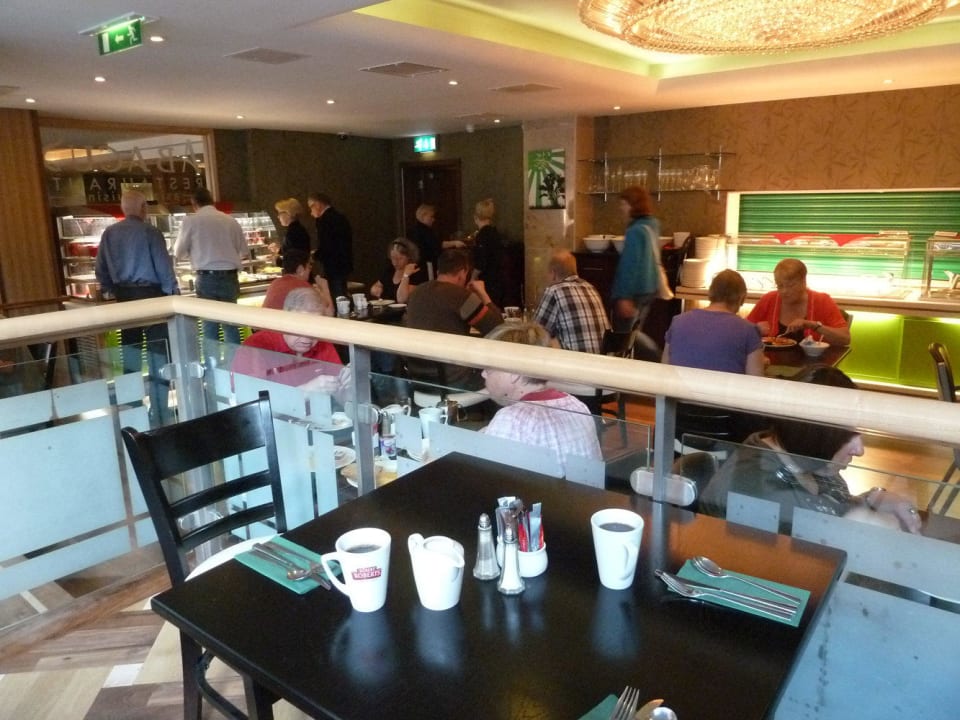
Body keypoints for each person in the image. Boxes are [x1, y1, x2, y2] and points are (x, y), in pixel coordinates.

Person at [698, 367, 922, 535]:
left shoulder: (802, 458)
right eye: (845, 436)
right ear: (813, 435)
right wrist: (852, 527)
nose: (859, 450)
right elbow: (798, 563)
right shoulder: (760, 492)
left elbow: (831, 506)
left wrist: (873, 499)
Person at [95, 190, 179, 424]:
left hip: (124, 299)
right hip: (152, 298)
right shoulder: (151, 233)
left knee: (130, 354)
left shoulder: (109, 234)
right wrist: (174, 295)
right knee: (158, 354)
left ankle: (132, 409)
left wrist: (110, 289)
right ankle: (160, 411)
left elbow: (100, 269)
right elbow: (164, 269)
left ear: (123, 209)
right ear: (143, 208)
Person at [480, 322, 602, 476]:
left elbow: (488, 479)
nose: (483, 374)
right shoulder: (577, 405)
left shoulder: (511, 419)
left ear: (513, 373)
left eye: (488, 368)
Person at [404, 248, 503, 390]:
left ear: (439, 270)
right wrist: (482, 293)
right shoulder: (460, 295)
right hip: (453, 381)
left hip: (418, 380)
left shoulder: (417, 292)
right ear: (462, 273)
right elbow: (498, 328)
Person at [173, 187, 248, 351]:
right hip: (230, 278)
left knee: (209, 328)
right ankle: (235, 365)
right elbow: (244, 252)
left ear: (194, 204)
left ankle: (212, 365)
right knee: (231, 326)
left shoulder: (190, 221)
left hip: (206, 278)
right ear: (212, 201)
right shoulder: (230, 221)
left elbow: (178, 253)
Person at [232, 287, 344, 390]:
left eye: (315, 329)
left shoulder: (322, 343)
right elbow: (246, 396)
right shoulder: (255, 347)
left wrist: (345, 385)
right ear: (284, 320)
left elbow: (340, 387)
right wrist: (306, 391)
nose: (307, 338)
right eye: (299, 327)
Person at [663, 269, 764, 375]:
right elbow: (755, 379)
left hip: (679, 385)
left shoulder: (677, 322)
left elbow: (664, 368)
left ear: (710, 293)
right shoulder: (748, 331)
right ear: (741, 299)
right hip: (723, 386)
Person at [747, 258, 850, 346]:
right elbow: (742, 331)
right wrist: (755, 329)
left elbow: (845, 339)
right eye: (780, 285)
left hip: (814, 362)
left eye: (791, 285)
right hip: (770, 361)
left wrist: (813, 325)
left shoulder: (822, 300)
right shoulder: (769, 299)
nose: (784, 291)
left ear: (803, 281)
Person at [532, 249, 610, 354]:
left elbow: (536, 332)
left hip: (574, 360)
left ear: (553, 274)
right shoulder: (591, 288)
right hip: (603, 359)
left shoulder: (554, 290)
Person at [612, 185, 659, 333]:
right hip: (650, 288)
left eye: (624, 204)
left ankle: (653, 349)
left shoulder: (635, 231)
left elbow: (629, 265)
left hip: (635, 292)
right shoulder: (652, 225)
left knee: (627, 335)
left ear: (633, 205)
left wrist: (624, 296)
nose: (621, 208)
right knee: (636, 331)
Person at [308, 192, 353, 300]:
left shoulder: (324, 220)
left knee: (337, 297)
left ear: (318, 205)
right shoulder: (340, 217)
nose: (311, 212)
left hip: (333, 266)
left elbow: (327, 245)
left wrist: (314, 255)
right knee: (341, 295)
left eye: (311, 207)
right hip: (343, 264)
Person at [261, 248, 333, 314]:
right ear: (300, 269)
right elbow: (329, 313)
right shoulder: (303, 287)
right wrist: (325, 288)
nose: (310, 272)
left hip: (266, 323)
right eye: (309, 268)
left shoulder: (275, 283)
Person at [471, 198, 504, 307]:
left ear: (476, 217)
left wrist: (472, 277)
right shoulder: (495, 232)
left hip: (487, 279)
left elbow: (481, 262)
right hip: (498, 277)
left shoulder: (482, 235)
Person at [370, 238, 419, 304]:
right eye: (393, 258)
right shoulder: (390, 269)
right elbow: (378, 285)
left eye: (399, 258)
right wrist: (375, 288)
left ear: (409, 257)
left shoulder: (415, 271)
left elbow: (402, 299)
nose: (395, 262)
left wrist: (406, 276)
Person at [270, 197, 310, 265]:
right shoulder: (296, 228)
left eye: (279, 213)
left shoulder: (294, 232)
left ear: (288, 214)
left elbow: (295, 259)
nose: (278, 217)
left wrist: (277, 261)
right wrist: (278, 250)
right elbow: (291, 250)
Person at [408, 204, 440, 284]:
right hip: (426, 265)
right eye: (431, 216)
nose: (433, 219)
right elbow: (435, 245)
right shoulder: (424, 231)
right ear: (423, 216)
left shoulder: (412, 230)